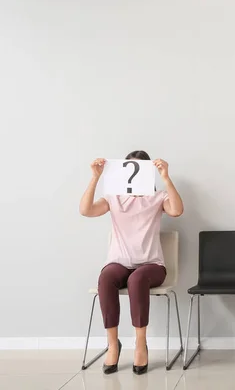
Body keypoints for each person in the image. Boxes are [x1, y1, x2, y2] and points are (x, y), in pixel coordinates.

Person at [79, 150, 184, 375]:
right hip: (119, 263)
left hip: (152, 266)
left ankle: (140, 344)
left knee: (137, 279)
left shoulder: (157, 198)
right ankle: (113, 344)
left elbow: (176, 210)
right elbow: (85, 210)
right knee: (106, 278)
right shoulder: (114, 198)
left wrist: (165, 177)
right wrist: (95, 177)